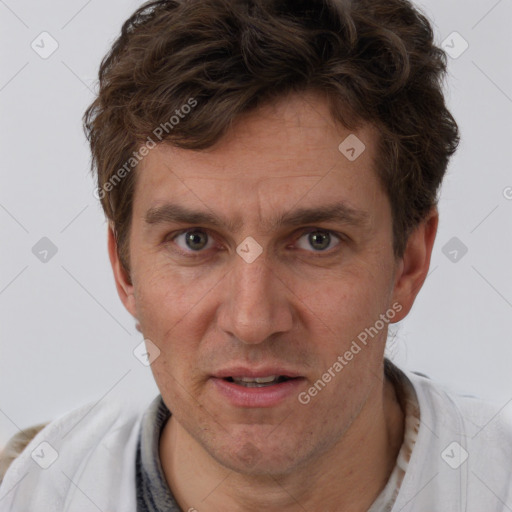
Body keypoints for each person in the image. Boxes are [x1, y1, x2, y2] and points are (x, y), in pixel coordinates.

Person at [1, 0, 511, 510]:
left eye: (317, 240)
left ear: (409, 264)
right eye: (194, 240)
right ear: (124, 270)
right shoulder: (26, 490)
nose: (252, 321)